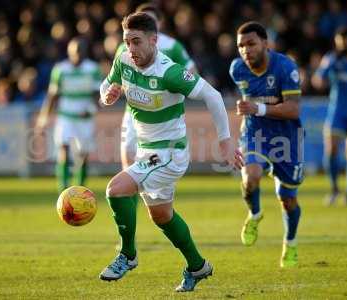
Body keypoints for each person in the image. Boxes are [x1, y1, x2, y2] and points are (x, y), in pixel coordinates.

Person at [98, 12, 243, 292]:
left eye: (137, 42)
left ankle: (127, 255)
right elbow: (106, 85)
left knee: (116, 189)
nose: (131, 49)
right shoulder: (124, 61)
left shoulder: (169, 72)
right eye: (127, 42)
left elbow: (212, 96)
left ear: (154, 40)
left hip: (170, 153)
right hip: (147, 153)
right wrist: (107, 94)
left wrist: (225, 141)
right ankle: (198, 266)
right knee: (162, 216)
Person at [229, 22, 304, 268]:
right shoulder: (237, 69)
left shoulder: (285, 67)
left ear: (265, 43)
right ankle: (255, 214)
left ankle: (290, 243)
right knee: (250, 176)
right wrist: (249, 109)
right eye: (241, 45)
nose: (245, 50)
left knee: (287, 199)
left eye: (251, 44)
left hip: (287, 138)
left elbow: (293, 110)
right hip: (255, 133)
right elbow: (247, 100)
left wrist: (258, 107)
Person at [116, 3, 197, 170]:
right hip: (134, 109)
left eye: (149, 20)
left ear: (159, 23)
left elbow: (191, 70)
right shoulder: (125, 46)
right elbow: (117, 76)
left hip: (162, 113)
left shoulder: (172, 46)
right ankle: (131, 193)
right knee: (128, 152)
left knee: (158, 161)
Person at [36, 37, 103, 193]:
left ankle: (80, 188)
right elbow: (53, 95)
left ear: (85, 52)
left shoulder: (92, 69)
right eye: (75, 51)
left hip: (84, 117)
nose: (77, 54)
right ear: (69, 51)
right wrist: (43, 117)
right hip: (65, 116)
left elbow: (98, 95)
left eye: (80, 50)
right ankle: (63, 190)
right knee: (63, 148)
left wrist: (91, 110)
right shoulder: (61, 69)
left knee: (82, 154)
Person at [312, 27, 347, 205]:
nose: (342, 45)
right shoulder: (332, 59)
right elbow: (318, 81)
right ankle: (334, 189)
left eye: (345, 41)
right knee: (331, 148)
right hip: (337, 112)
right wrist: (329, 66)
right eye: (339, 41)